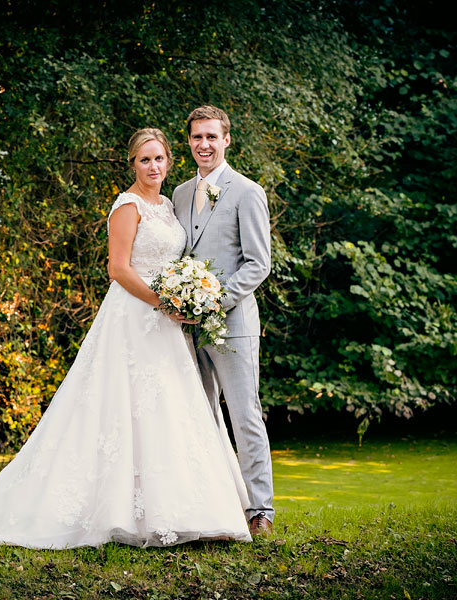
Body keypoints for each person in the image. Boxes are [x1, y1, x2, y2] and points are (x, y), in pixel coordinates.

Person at [0, 128, 252, 548]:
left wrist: (182, 294)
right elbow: (119, 269)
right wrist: (163, 301)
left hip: (166, 324)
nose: (153, 167)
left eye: (159, 159)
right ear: (132, 164)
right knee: (124, 410)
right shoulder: (127, 206)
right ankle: (124, 515)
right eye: (145, 160)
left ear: (169, 161)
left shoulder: (167, 204)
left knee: (167, 409)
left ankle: (182, 511)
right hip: (135, 316)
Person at [172, 106, 275, 536]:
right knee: (198, 414)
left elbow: (258, 264)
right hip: (183, 329)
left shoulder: (247, 191)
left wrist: (212, 302)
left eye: (212, 137)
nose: (204, 145)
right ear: (189, 142)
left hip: (232, 325)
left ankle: (260, 511)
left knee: (244, 414)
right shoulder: (177, 194)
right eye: (197, 137)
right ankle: (212, 504)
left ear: (227, 140)